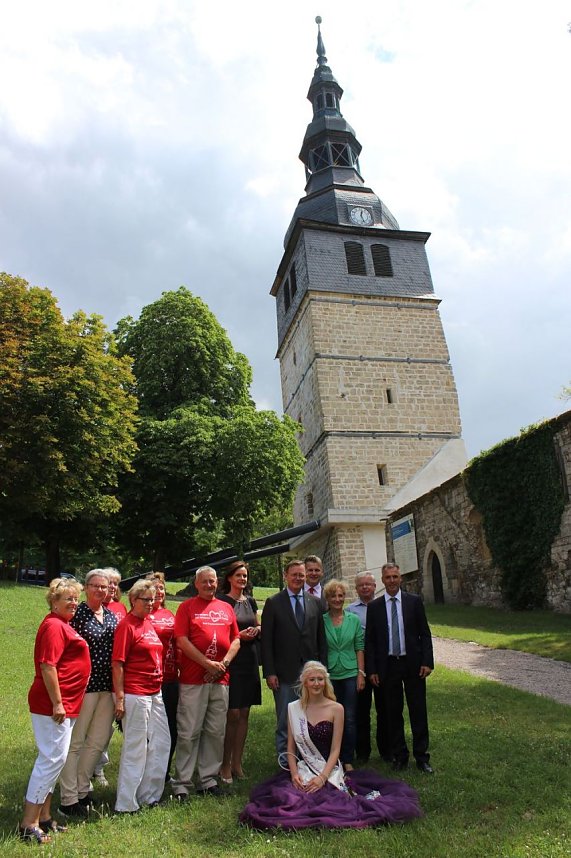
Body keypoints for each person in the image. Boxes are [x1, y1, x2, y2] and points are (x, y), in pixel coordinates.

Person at [239, 661, 422, 830]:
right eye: (312, 680)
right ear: (304, 683)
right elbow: (291, 748)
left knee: (330, 799)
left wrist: (322, 777)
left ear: (326, 681)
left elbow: (336, 749)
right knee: (289, 799)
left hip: (329, 769)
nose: (317, 683)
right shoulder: (294, 708)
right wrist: (294, 774)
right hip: (304, 768)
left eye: (320, 679)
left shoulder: (336, 708)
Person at [19, 578, 91, 844]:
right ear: (54, 602)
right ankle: (28, 823)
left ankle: (45, 817)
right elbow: (48, 666)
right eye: (68, 599)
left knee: (55, 761)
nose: (73, 603)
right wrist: (58, 702)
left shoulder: (63, 625)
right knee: (51, 760)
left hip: (66, 704)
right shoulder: (53, 626)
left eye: (76, 598)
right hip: (52, 705)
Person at [172, 566, 240, 799]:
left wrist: (223, 664)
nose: (209, 585)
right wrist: (206, 664)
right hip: (193, 679)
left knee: (215, 731)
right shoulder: (186, 607)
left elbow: (236, 639)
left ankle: (208, 780)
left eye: (212, 581)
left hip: (222, 678)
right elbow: (181, 640)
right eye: (205, 581)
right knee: (189, 730)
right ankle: (181, 782)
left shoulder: (225, 607)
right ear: (196, 583)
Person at [58, 569, 118, 817]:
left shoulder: (113, 616)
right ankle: (68, 798)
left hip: (107, 687)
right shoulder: (77, 614)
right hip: (83, 687)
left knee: (97, 741)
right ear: (86, 587)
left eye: (104, 587)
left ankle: (83, 788)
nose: (100, 591)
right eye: (95, 586)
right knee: (76, 742)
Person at [365, 563, 435, 774]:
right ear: (383, 580)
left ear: (401, 578)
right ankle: (400, 755)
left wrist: (427, 661)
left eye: (395, 576)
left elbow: (425, 633)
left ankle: (422, 757)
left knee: (418, 710)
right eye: (388, 577)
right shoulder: (375, 607)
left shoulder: (413, 602)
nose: (392, 580)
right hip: (388, 665)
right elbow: (370, 641)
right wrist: (372, 669)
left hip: (413, 664)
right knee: (392, 713)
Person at [112, 579, 171, 812]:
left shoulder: (147, 623)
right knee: (136, 748)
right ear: (133, 600)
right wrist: (120, 697)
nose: (150, 603)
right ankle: (126, 803)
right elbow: (117, 663)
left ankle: (150, 795)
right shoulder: (127, 625)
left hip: (155, 691)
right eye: (145, 599)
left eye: (153, 599)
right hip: (136, 692)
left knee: (162, 742)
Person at [261, 559, 328, 758]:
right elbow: (266, 642)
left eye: (301, 575)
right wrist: (270, 672)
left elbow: (321, 639)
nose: (298, 578)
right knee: (285, 719)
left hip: (311, 673)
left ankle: (309, 758)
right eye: (294, 575)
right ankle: (285, 758)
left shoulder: (315, 602)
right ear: (285, 576)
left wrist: (322, 670)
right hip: (284, 673)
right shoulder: (274, 603)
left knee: (311, 717)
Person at [218, 561, 261, 784]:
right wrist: (238, 636)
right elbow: (219, 631)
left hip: (250, 659)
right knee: (232, 714)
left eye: (245, 576)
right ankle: (224, 764)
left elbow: (258, 624)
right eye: (238, 576)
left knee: (244, 713)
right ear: (229, 578)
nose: (242, 579)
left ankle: (237, 762)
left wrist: (257, 630)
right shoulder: (222, 602)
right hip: (232, 660)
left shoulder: (250, 601)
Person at [346, 570, 391, 763]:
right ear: (356, 589)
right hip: (359, 666)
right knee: (361, 711)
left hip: (381, 665)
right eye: (361, 585)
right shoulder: (349, 610)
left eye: (369, 584)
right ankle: (362, 751)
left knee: (385, 709)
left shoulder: (383, 606)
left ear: (375, 586)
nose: (365, 587)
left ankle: (386, 750)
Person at [322, 579, 365, 770]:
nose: (337, 599)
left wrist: (361, 673)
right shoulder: (321, 620)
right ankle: (331, 758)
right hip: (329, 675)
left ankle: (347, 758)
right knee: (328, 718)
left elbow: (359, 647)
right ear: (327, 598)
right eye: (333, 596)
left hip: (349, 673)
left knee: (349, 717)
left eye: (340, 596)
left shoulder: (354, 620)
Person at [146, 572, 178, 780]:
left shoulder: (169, 615)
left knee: (171, 729)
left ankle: (163, 772)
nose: (158, 592)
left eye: (161, 588)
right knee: (149, 733)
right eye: (154, 588)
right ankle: (147, 772)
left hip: (170, 679)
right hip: (147, 681)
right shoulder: (142, 615)